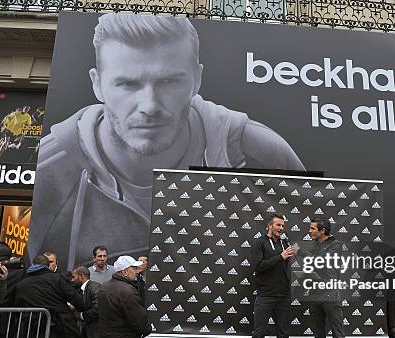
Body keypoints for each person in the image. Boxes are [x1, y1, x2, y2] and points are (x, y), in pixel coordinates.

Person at [28, 13, 305, 271]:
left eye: (170, 82)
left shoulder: (256, 151)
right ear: (97, 84)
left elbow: (309, 253)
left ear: (197, 79)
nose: (149, 105)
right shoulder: (53, 170)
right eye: (127, 84)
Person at [245, 213, 297, 338]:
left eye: (283, 226)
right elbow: (259, 266)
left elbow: (285, 269)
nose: (281, 228)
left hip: (283, 296)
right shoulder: (259, 243)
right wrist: (280, 257)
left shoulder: (285, 243)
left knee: (283, 336)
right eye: (278, 225)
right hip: (265, 296)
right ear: (269, 226)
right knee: (258, 335)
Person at [305, 217, 350, 338]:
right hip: (314, 296)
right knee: (319, 336)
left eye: (312, 228)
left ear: (322, 230)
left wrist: (302, 254)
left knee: (339, 336)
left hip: (331, 296)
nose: (309, 231)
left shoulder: (336, 245)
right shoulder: (315, 245)